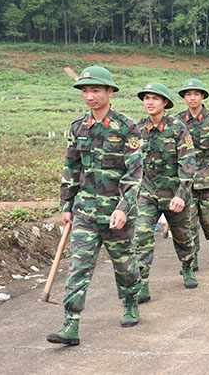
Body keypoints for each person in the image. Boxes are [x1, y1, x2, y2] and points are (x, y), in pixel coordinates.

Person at [48, 66, 143, 346]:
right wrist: (66, 203)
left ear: (109, 92)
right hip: (86, 212)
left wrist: (124, 207)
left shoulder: (127, 127)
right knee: (79, 266)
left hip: (117, 213)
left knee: (124, 265)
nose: (90, 96)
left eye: (96, 90)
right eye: (86, 91)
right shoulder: (78, 127)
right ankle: (71, 324)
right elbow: (71, 167)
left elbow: (134, 173)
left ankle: (130, 300)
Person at [134, 82, 197, 295]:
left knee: (183, 238)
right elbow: (130, 163)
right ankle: (141, 283)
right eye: (146, 98)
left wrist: (181, 194)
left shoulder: (178, 128)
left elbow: (188, 164)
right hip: (147, 195)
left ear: (165, 102)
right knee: (141, 236)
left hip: (174, 196)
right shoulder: (138, 129)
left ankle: (188, 266)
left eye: (154, 98)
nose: (149, 102)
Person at [176, 79, 209, 266]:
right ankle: (192, 260)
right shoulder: (177, 121)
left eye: (196, 94)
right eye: (189, 94)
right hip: (186, 179)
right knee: (189, 223)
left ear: (202, 97)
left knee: (208, 220)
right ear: (184, 97)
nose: (192, 98)